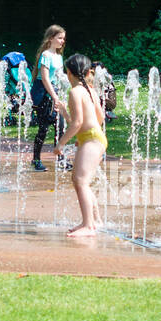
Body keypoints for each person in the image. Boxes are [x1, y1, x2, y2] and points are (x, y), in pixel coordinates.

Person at [52, 53, 107, 237]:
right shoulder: (89, 90)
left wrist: (61, 143)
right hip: (94, 137)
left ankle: (88, 225)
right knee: (81, 181)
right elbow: (98, 118)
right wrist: (66, 115)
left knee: (81, 181)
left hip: (91, 139)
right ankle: (96, 220)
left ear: (68, 72)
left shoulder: (75, 91)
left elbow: (77, 123)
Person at [30, 25, 68, 172]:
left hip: (54, 93)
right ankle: (36, 160)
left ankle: (60, 159)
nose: (62, 41)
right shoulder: (45, 55)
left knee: (60, 127)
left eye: (63, 38)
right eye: (59, 38)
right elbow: (45, 79)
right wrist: (55, 97)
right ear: (51, 38)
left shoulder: (58, 57)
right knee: (43, 129)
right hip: (44, 94)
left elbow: (60, 78)